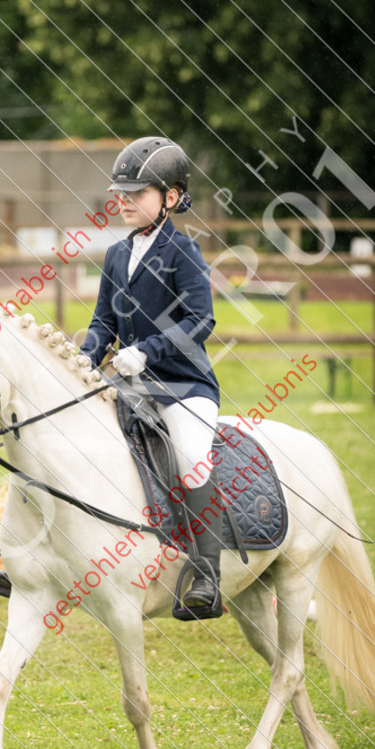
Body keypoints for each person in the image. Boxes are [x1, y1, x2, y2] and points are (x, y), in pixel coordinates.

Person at [80, 136, 222, 619]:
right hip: (131, 386)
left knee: (191, 456)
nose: (124, 201)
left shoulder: (184, 252)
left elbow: (201, 320)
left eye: (137, 193)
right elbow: (102, 321)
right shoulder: (117, 254)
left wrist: (147, 349)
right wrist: (85, 358)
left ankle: (206, 574)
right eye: (121, 192)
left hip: (184, 386)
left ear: (172, 197)